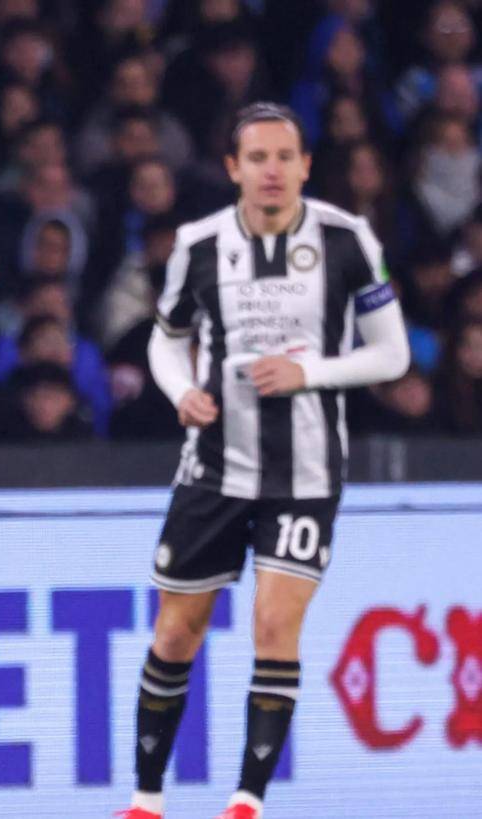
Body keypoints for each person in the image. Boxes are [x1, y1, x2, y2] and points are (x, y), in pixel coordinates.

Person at [116, 103, 411, 819]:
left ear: (306, 165)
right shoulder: (199, 244)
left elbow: (392, 353)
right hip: (215, 466)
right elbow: (166, 339)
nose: (272, 170)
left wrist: (310, 373)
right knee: (176, 632)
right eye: (257, 158)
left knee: (276, 626)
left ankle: (246, 801)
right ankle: (146, 799)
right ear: (233, 168)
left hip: (306, 473)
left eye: (284, 156)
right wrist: (182, 391)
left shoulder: (347, 238)